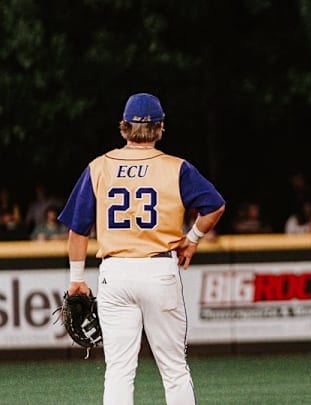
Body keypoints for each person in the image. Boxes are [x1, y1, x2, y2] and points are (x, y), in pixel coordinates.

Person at [57, 92, 226, 405]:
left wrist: (76, 279)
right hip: (159, 270)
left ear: (124, 126)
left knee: (119, 371)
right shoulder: (177, 168)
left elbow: (78, 228)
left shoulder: (99, 167)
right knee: (174, 369)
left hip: (115, 273)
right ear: (160, 127)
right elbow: (215, 206)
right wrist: (192, 239)